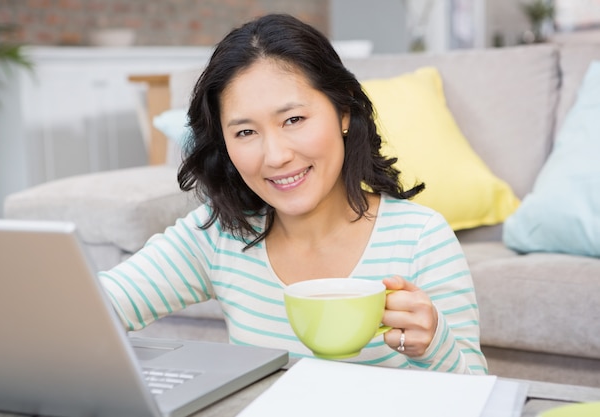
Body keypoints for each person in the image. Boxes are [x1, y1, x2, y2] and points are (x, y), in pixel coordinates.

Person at [99, 13, 488, 374]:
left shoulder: (422, 239)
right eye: (245, 132)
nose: (276, 156)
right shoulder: (220, 236)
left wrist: (435, 344)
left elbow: (481, 396)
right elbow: (96, 308)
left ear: (344, 112)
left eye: (294, 119)